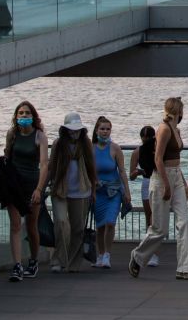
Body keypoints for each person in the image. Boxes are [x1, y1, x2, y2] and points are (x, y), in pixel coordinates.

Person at [129, 97, 188, 280]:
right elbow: (158, 159)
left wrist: (183, 183)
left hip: (176, 176)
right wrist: (167, 184)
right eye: (181, 110)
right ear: (178, 110)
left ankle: (184, 268)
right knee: (160, 229)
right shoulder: (164, 129)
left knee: (184, 224)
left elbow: (176, 161)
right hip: (161, 177)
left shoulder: (177, 129)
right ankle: (138, 256)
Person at [36, 112, 96, 273]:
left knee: (78, 229)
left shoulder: (86, 144)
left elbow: (91, 168)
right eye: (71, 130)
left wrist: (94, 191)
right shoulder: (58, 144)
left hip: (82, 191)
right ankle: (58, 259)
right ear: (65, 130)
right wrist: (41, 188)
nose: (74, 133)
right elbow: (51, 167)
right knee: (62, 223)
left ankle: (73, 262)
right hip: (60, 190)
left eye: (77, 130)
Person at [7, 101, 47, 282]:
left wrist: (39, 189)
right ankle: (16, 265)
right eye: (20, 113)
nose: (23, 116)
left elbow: (44, 164)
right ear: (16, 116)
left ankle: (33, 260)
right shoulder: (12, 134)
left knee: (31, 226)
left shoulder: (40, 136)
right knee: (15, 225)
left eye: (27, 113)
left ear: (33, 116)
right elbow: (8, 157)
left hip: (32, 184)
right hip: (15, 184)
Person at [91, 116, 131, 269]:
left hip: (114, 191)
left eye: (108, 129)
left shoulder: (115, 148)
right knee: (100, 226)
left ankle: (107, 254)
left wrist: (127, 192)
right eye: (102, 128)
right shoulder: (91, 148)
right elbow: (88, 170)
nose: (105, 131)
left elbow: (122, 171)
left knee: (110, 222)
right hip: (97, 192)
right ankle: (100, 255)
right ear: (96, 130)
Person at [128, 126, 161, 267]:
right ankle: (150, 252)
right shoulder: (137, 152)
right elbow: (131, 175)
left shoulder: (158, 150)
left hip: (157, 181)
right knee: (149, 216)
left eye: (149, 138)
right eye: (144, 138)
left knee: (156, 217)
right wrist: (139, 172)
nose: (146, 140)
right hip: (147, 182)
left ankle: (151, 250)